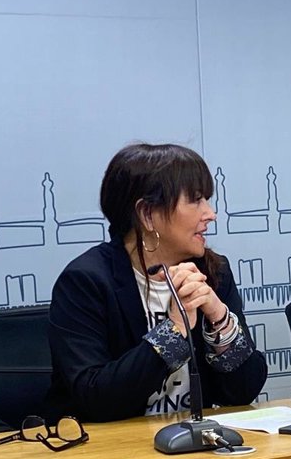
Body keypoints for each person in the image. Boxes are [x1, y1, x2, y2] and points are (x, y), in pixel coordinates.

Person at [48, 143, 267, 421]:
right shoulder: (85, 281)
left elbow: (244, 391)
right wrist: (175, 330)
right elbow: (95, 398)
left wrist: (219, 318)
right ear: (147, 214)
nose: (210, 213)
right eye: (196, 200)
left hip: (195, 441)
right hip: (115, 444)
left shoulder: (213, 272)